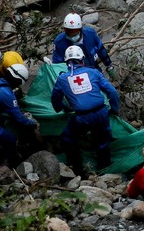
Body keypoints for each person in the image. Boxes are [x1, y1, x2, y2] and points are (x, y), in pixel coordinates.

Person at [51, 46, 120, 177]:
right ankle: (105, 170)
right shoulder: (93, 72)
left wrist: (62, 108)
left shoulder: (62, 79)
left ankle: (77, 168)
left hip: (81, 117)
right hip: (101, 112)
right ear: (82, 60)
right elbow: (112, 92)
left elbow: (55, 99)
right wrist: (114, 109)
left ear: (66, 62)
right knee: (103, 141)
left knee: (68, 139)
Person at [51, 13, 116, 78]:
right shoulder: (59, 42)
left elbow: (101, 50)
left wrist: (109, 65)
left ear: (80, 29)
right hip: (73, 76)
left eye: (74, 31)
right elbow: (58, 65)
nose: (71, 34)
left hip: (94, 71)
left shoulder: (90, 34)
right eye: (68, 31)